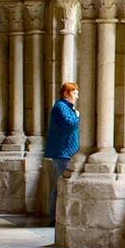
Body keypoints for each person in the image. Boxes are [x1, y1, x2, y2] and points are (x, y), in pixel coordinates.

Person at [45, 82, 80, 223]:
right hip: (63, 152)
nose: (77, 96)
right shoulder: (61, 107)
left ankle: (55, 217)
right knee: (61, 184)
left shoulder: (66, 107)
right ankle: (55, 217)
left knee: (59, 183)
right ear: (66, 93)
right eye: (74, 93)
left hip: (67, 151)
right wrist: (77, 115)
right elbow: (70, 124)